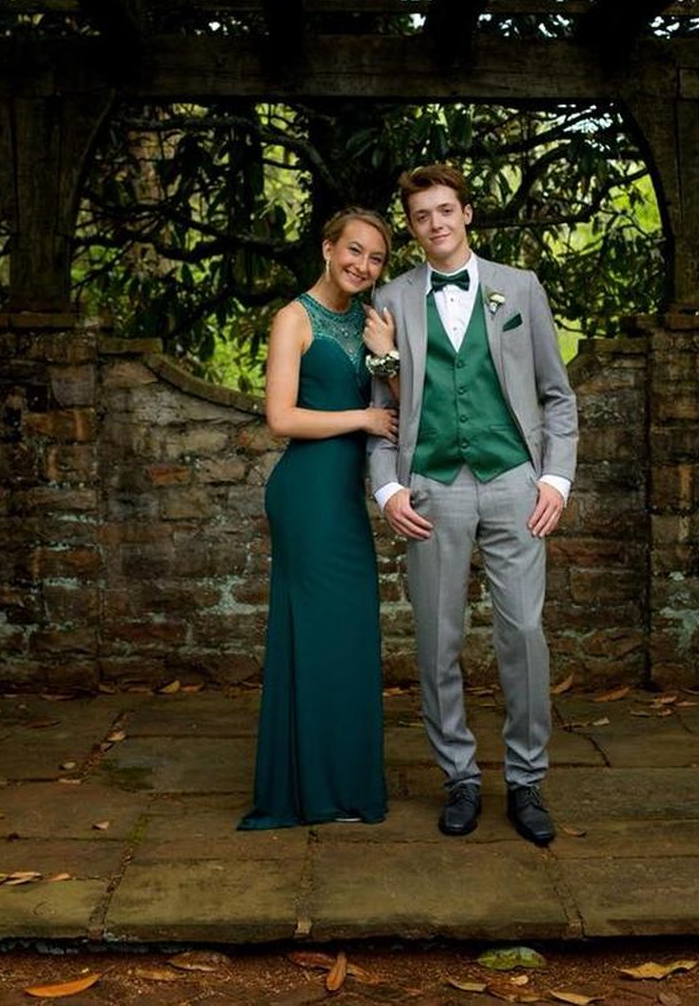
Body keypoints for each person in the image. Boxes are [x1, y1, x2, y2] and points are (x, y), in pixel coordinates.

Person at [368, 164, 577, 845]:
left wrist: (556, 481)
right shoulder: (392, 299)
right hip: (432, 484)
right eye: (422, 215)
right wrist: (389, 488)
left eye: (445, 210)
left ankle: (527, 781)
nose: (436, 223)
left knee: (522, 634)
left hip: (516, 479)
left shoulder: (519, 288)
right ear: (412, 226)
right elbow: (379, 410)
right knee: (437, 642)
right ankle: (458, 776)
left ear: (467, 214)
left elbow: (557, 395)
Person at [238, 207, 398, 829]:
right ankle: (311, 791)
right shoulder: (293, 318)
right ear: (328, 249)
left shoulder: (372, 320)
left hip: (343, 496)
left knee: (351, 635)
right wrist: (360, 419)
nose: (363, 265)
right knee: (314, 635)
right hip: (305, 493)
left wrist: (384, 356)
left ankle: (345, 786)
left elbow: (402, 403)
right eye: (353, 251)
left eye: (376, 257)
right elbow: (280, 417)